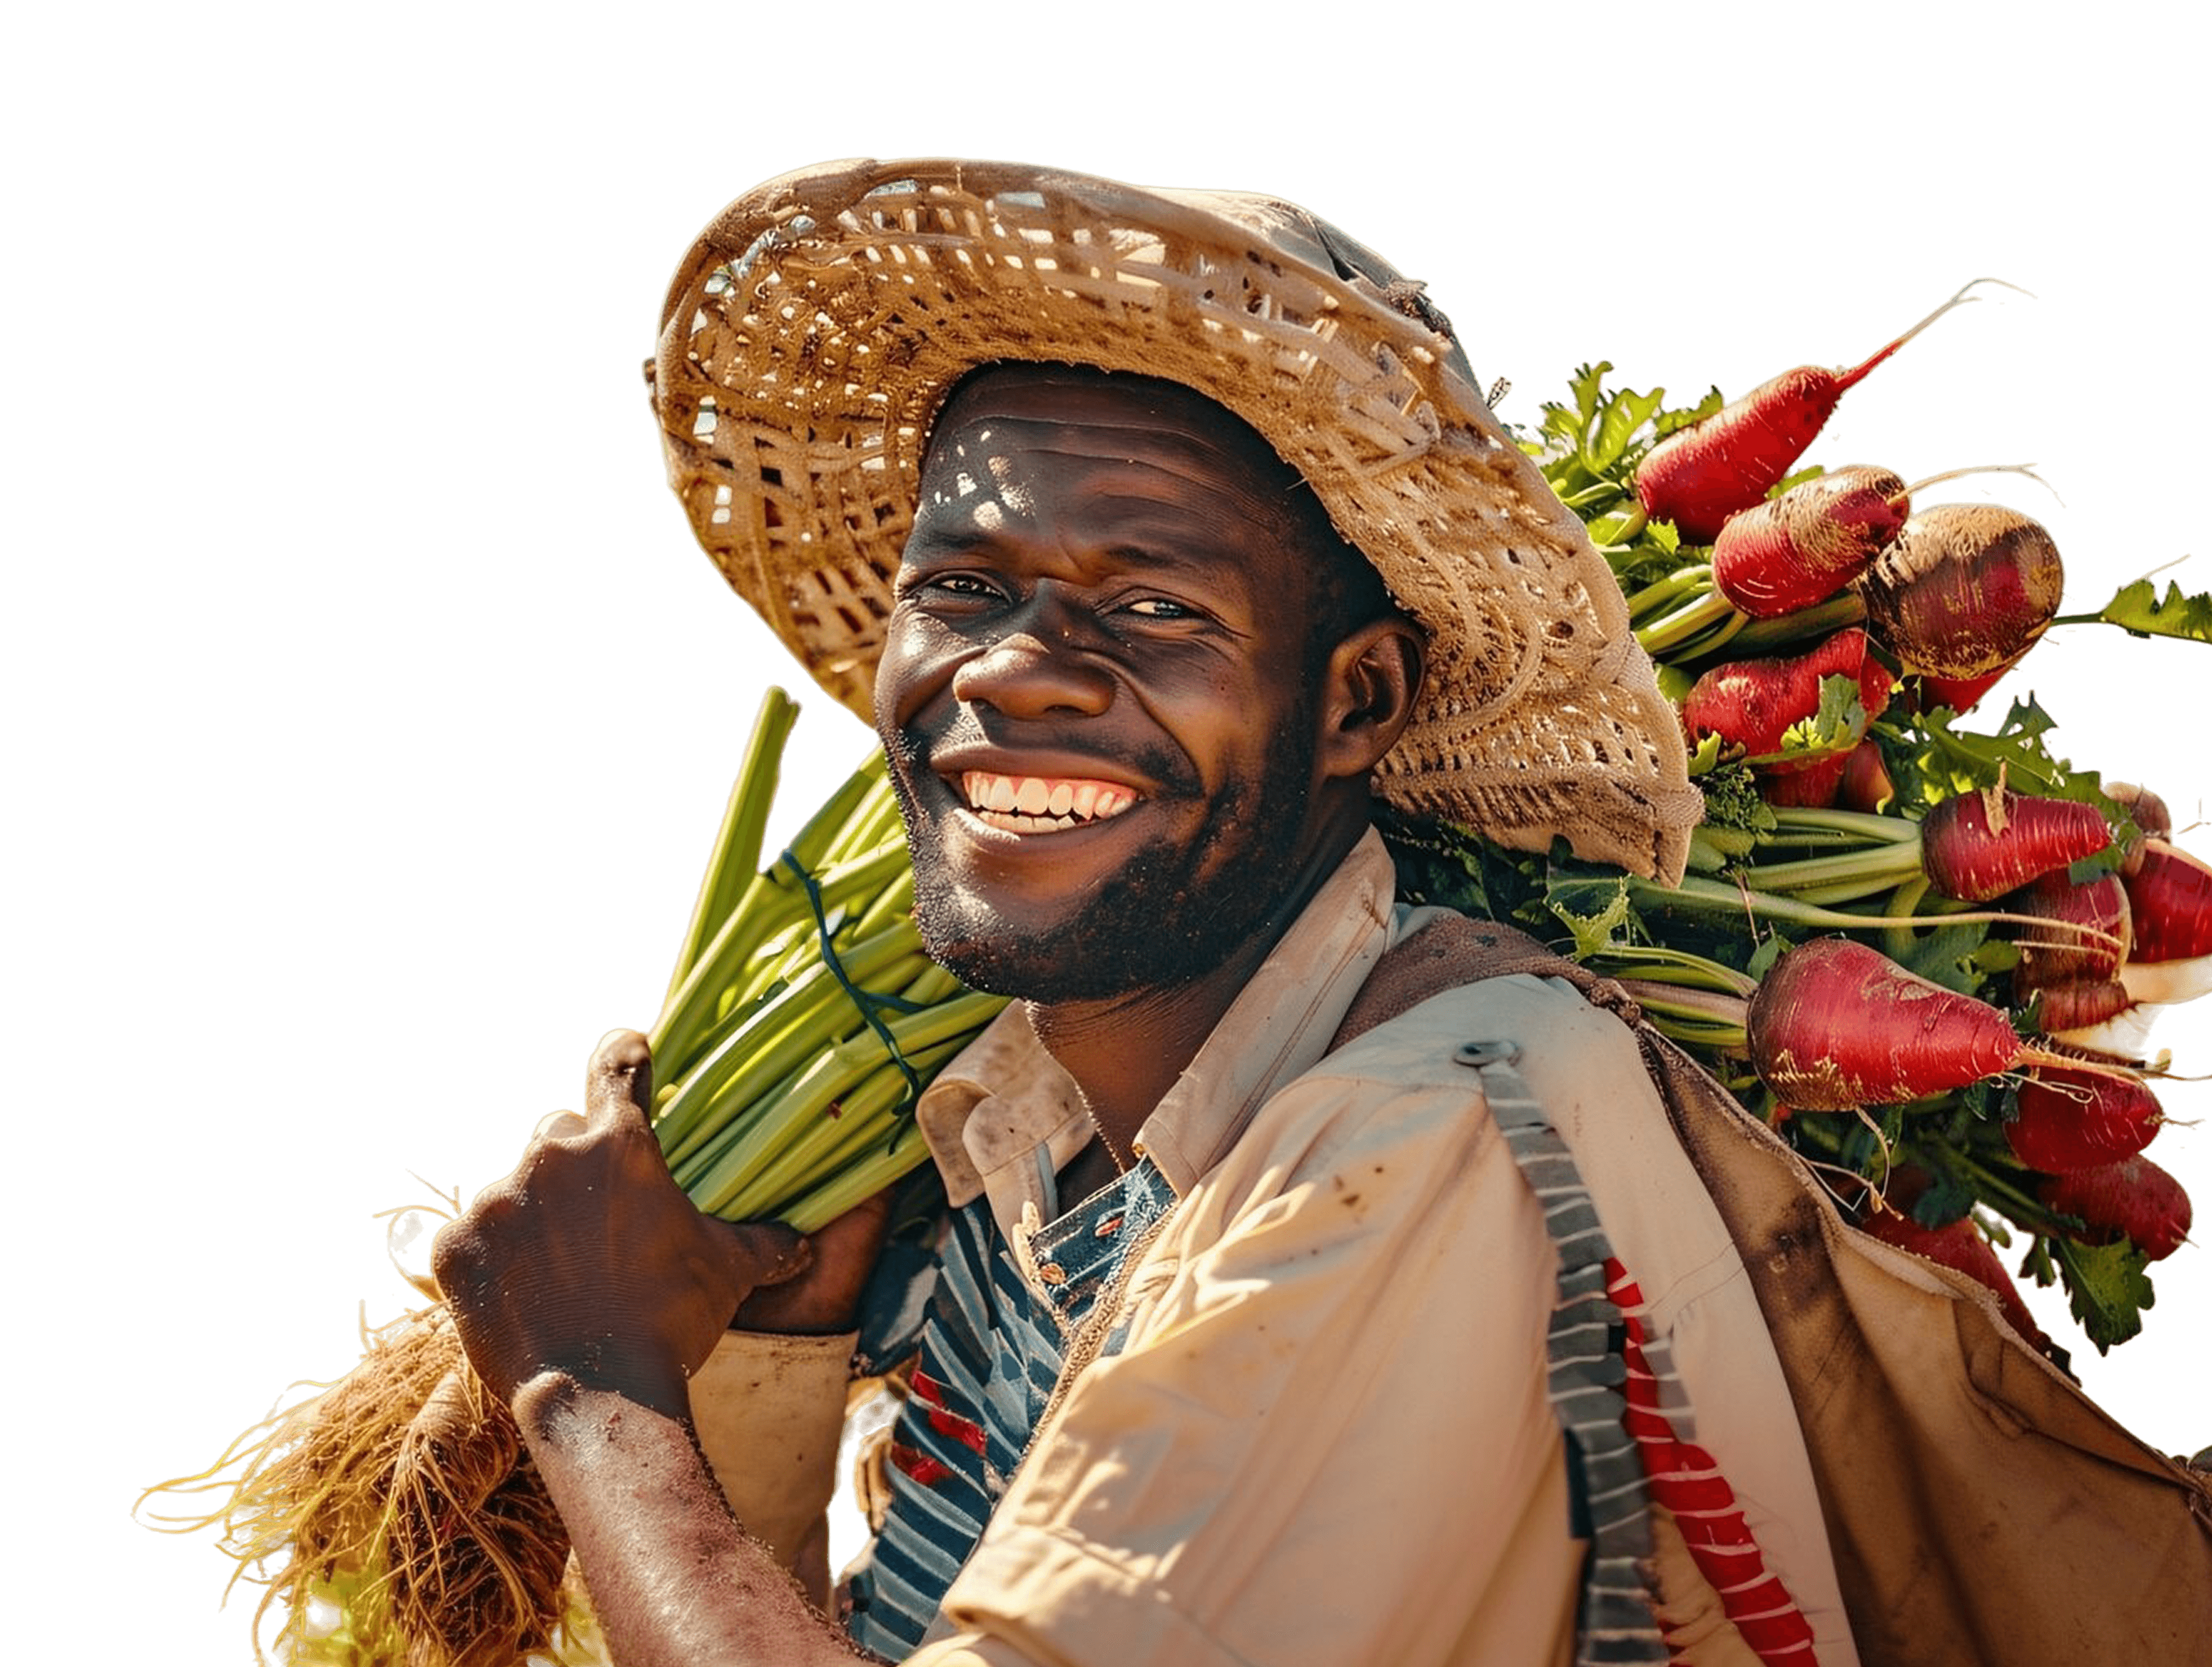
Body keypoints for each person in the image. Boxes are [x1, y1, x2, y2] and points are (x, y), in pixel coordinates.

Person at [431, 157, 1855, 1666]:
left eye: (1157, 607)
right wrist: (784, 1334)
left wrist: (591, 1392)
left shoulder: (1428, 1137)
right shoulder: (1017, 1157)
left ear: (1356, 699)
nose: (1011, 671)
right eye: (964, 590)